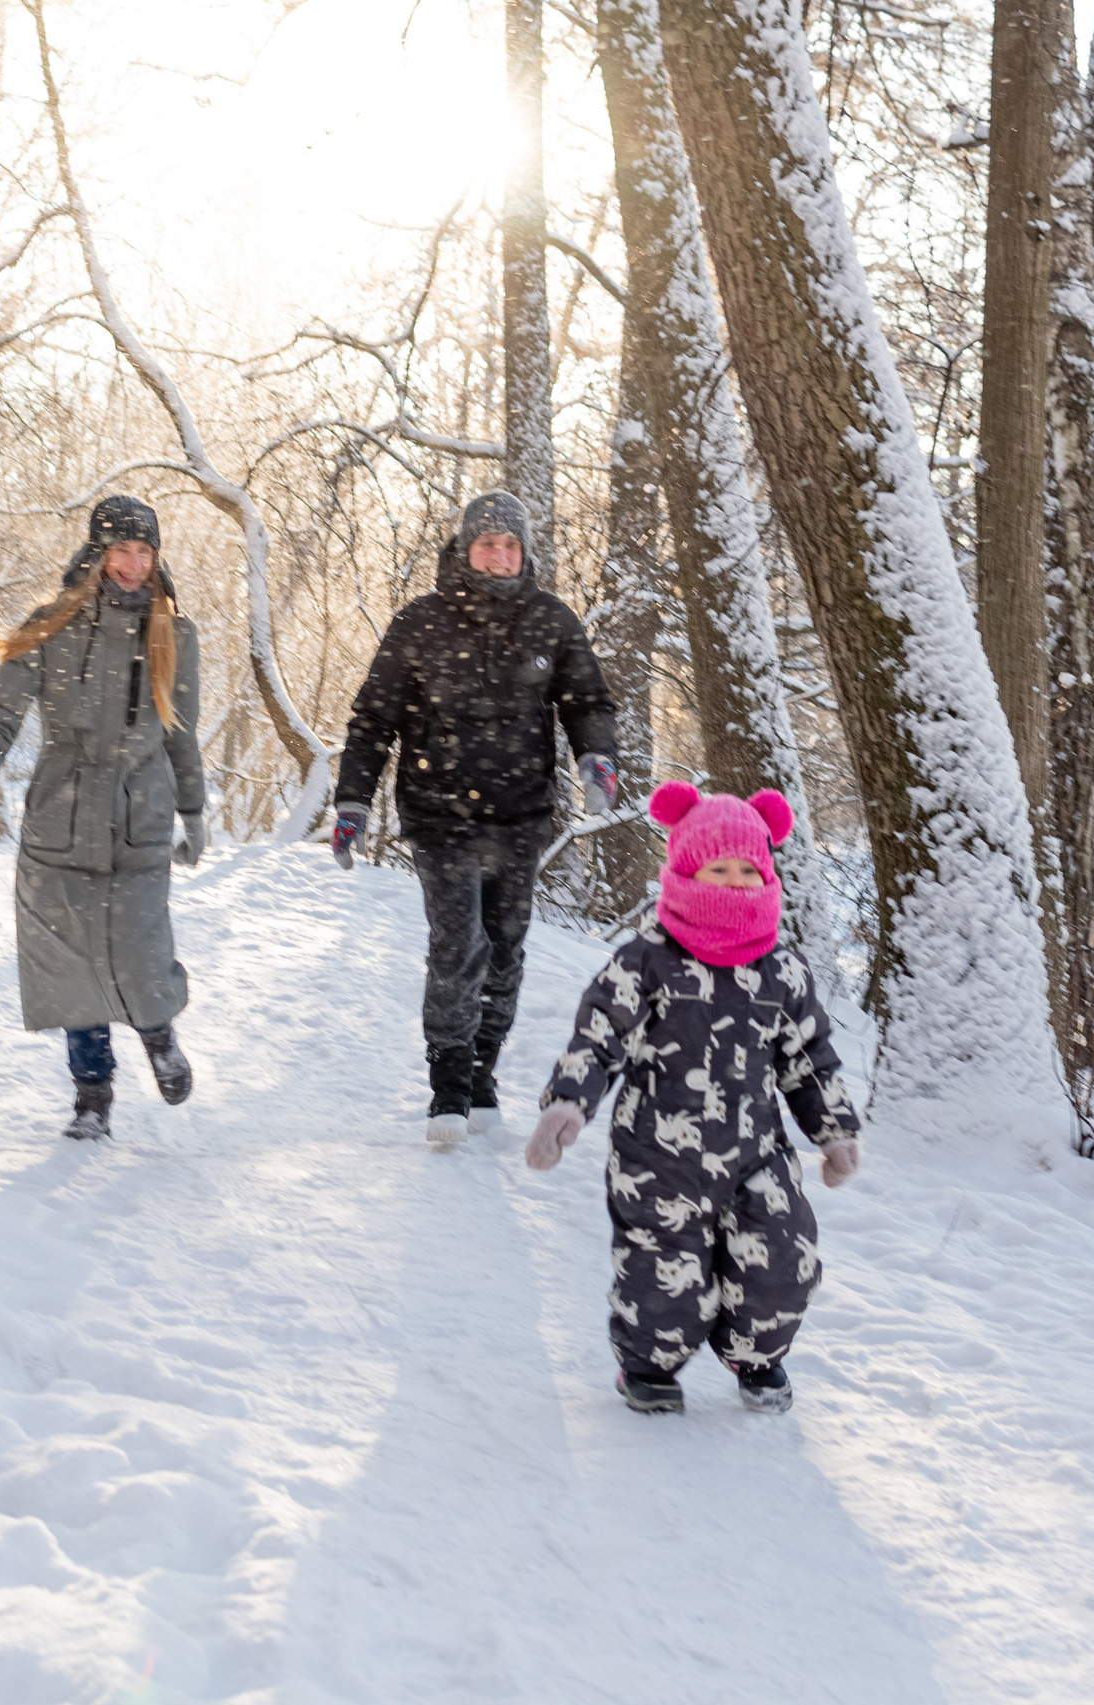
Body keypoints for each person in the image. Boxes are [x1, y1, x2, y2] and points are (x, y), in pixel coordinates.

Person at [525, 780, 862, 1416]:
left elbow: (808, 1059)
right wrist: (568, 1103)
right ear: (685, 869)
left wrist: (834, 1131)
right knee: (662, 1277)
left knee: (785, 1259)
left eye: (748, 869)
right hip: (658, 1154)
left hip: (757, 1153)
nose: (735, 881)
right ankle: (647, 1366)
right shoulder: (646, 962)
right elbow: (598, 1039)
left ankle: (756, 1355)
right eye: (719, 867)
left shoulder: (782, 972)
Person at [332, 491, 620, 1147]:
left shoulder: (550, 620)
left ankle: (484, 1071)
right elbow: (374, 719)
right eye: (487, 544)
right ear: (465, 551)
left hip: (520, 818)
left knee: (506, 950)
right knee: (458, 946)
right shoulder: (420, 623)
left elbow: (587, 700)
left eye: (510, 545)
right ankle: (449, 1087)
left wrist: (597, 757)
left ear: (525, 553)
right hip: (439, 817)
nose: (499, 555)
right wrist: (353, 799)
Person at [0, 495, 206, 1141]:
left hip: (139, 811)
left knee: (143, 949)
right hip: (61, 813)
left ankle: (159, 1036)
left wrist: (194, 807)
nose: (132, 563)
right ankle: (92, 1095)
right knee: (68, 964)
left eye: (144, 551)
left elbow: (180, 733)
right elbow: (0, 713)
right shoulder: (52, 626)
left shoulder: (174, 634)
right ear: (97, 553)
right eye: (121, 549)